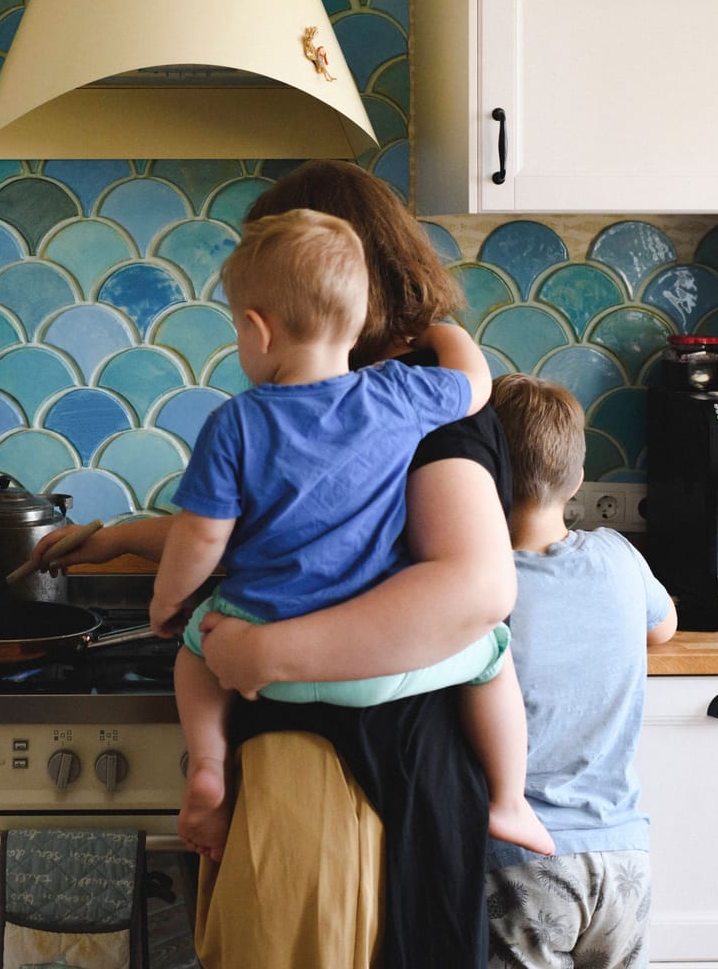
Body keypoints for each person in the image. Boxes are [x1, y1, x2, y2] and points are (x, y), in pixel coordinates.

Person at [29, 159, 516, 968]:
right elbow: (275, 531)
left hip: (356, 767)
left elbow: (474, 588)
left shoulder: (408, 405)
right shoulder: (381, 396)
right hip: (303, 757)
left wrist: (263, 651)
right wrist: (122, 536)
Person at [147, 209, 550, 861]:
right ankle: (511, 800)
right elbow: (476, 387)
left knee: (194, 654)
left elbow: (201, 539)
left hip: (256, 656)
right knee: (492, 652)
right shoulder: (397, 395)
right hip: (377, 668)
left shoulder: (235, 423)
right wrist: (444, 333)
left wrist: (168, 606)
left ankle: (209, 766)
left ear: (257, 329)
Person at [483, 373, 678, 969]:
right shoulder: (618, 555)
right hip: (624, 856)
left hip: (526, 860)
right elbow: (663, 625)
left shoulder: (482, 587)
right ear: (574, 480)